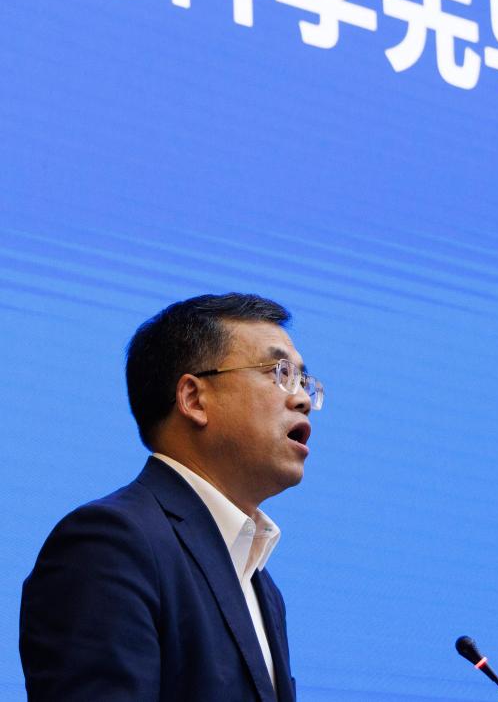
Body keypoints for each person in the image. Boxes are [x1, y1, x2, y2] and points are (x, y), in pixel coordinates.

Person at [20, 293, 323, 701]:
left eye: (303, 381)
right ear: (194, 399)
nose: (302, 398)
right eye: (278, 373)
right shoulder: (110, 544)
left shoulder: (262, 587)